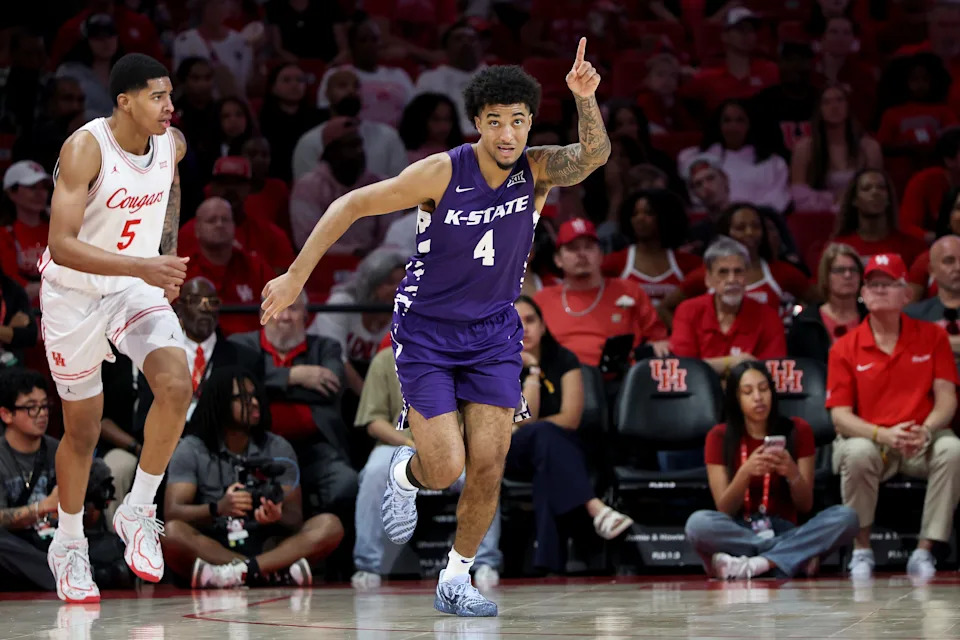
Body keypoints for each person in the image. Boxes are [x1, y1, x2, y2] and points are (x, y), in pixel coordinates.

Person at [260, 39, 611, 617]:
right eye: (494, 121)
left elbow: (593, 156)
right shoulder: (441, 171)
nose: (507, 133)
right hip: (427, 333)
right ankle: (406, 471)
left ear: (528, 125)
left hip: (496, 334)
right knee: (445, 466)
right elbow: (349, 205)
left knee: (490, 463)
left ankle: (456, 577)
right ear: (477, 123)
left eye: (518, 121)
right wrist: (297, 277)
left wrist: (585, 99)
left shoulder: (538, 168)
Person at [39, 53, 193, 602]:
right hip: (74, 296)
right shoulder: (86, 148)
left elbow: (172, 178)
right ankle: (71, 544)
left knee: (178, 386)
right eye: (157, 97)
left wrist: (166, 255)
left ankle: (138, 509)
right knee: (82, 430)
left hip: (132, 286)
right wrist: (145, 264)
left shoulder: (169, 143)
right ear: (125, 101)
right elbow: (61, 244)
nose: (170, 107)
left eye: (171, 96)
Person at [827, 253, 960, 580]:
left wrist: (926, 431)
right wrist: (881, 434)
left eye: (890, 284)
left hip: (920, 438)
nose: (879, 291)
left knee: (952, 449)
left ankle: (925, 551)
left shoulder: (933, 336)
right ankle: (861, 550)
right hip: (872, 440)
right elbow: (840, 418)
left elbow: (947, 399)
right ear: (862, 292)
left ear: (907, 294)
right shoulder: (844, 347)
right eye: (873, 284)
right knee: (856, 452)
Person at [162, 367, 344, 588]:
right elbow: (173, 512)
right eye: (243, 398)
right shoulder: (191, 448)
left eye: (255, 396)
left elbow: (295, 518)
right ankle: (268, 572)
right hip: (215, 542)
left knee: (330, 525)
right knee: (170, 533)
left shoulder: (278, 446)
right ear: (220, 402)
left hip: (269, 543)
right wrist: (217, 508)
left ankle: (239, 573)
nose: (255, 402)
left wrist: (277, 516)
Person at [685, 362, 859, 580]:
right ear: (735, 399)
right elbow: (724, 508)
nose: (758, 397)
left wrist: (792, 472)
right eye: (748, 392)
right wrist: (745, 473)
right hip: (740, 528)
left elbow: (805, 505)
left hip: (785, 526)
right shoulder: (719, 436)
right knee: (698, 524)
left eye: (764, 389)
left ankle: (756, 564)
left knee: (847, 517)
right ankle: (789, 558)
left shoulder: (798, 430)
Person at [352, 340, 502, 590]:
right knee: (375, 472)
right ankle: (368, 565)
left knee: (483, 473)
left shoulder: (464, 358)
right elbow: (374, 421)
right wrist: (412, 442)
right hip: (398, 444)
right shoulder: (384, 360)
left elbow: (473, 414)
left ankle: (485, 561)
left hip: (452, 447)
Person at [509, 296, 633, 573]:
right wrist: (531, 371)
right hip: (512, 452)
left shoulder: (564, 359)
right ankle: (595, 508)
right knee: (542, 434)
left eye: (530, 320)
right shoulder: (494, 366)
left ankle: (548, 566)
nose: (524, 328)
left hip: (555, 449)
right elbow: (526, 420)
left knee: (547, 460)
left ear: (543, 326)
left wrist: (536, 424)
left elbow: (570, 418)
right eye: (515, 323)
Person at [669, 236, 787, 377]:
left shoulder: (769, 316)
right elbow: (684, 369)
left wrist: (712, 366)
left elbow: (772, 372)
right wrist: (732, 362)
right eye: (723, 272)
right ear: (708, 279)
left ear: (747, 277)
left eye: (738, 271)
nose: (731, 280)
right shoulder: (688, 311)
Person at [787, 243, 866, 364]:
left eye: (853, 270)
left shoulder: (872, 318)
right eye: (840, 270)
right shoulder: (805, 322)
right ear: (826, 276)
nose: (848, 275)